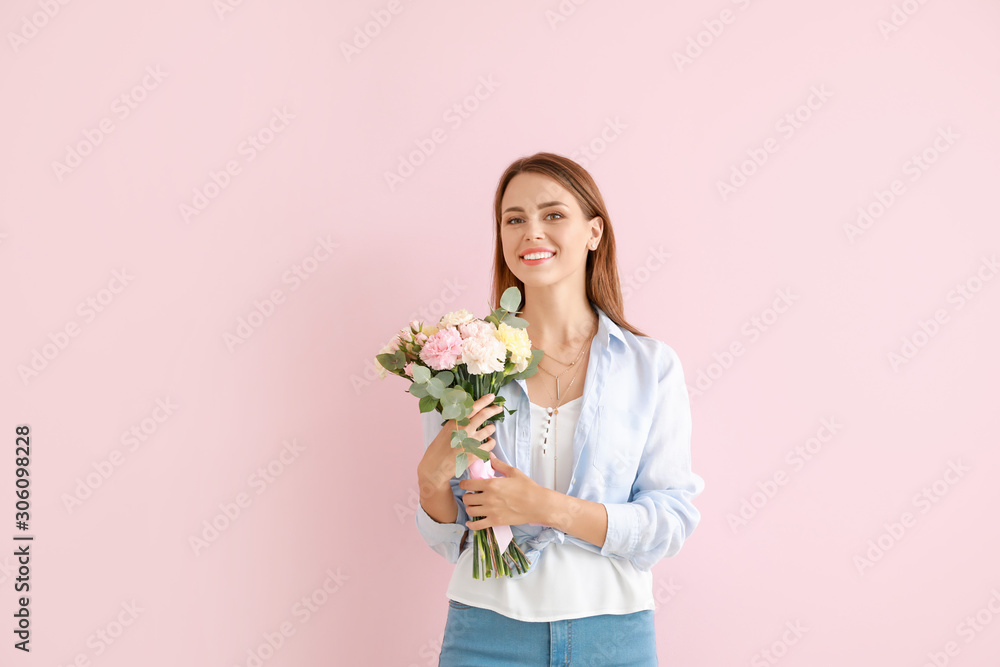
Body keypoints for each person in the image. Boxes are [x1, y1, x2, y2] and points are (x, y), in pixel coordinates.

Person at [414, 152, 705, 666]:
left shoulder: (649, 367)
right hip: (486, 633)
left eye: (553, 215)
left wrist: (544, 508)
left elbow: (670, 521)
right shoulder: (463, 357)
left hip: (613, 638)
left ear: (594, 232)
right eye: (514, 219)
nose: (532, 232)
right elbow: (451, 535)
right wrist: (430, 483)